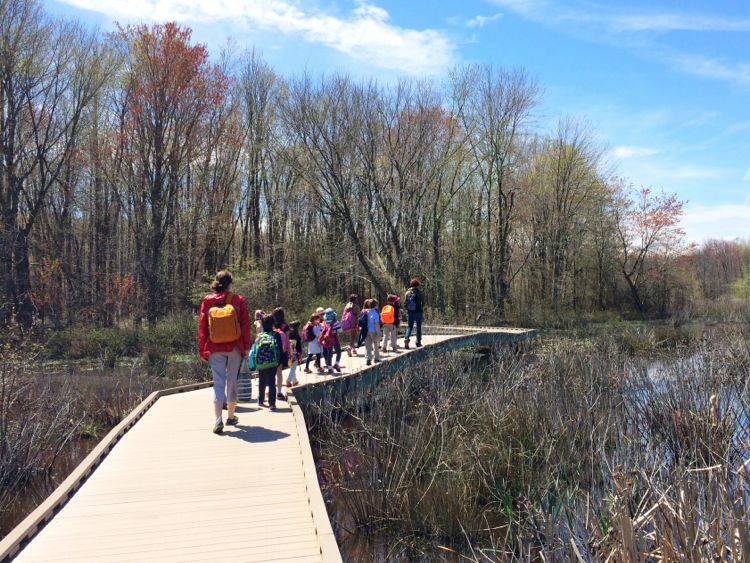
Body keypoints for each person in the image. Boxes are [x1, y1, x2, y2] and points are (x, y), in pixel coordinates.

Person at [198, 270, 250, 434]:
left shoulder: (207, 301)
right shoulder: (237, 299)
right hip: (234, 346)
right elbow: (245, 325)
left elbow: (202, 328)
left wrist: (203, 350)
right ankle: (231, 416)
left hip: (214, 347)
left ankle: (218, 419)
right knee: (231, 380)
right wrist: (246, 347)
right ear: (230, 283)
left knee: (218, 382)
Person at [255, 314, 283, 410]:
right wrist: (279, 361)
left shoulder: (260, 336)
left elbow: (254, 350)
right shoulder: (276, 334)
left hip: (261, 362)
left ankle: (261, 400)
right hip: (273, 362)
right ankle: (272, 404)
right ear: (272, 323)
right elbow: (280, 349)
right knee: (272, 381)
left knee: (262, 381)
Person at [272, 307, 290, 402]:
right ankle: (278, 392)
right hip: (281, 351)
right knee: (279, 372)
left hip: (272, 351)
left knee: (271, 372)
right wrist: (288, 352)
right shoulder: (285, 326)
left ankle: (271, 390)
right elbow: (287, 339)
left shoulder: (271, 325)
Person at [403, 278, 424, 349]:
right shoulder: (420, 292)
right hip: (418, 311)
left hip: (410, 312)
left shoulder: (407, 292)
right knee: (418, 327)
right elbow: (423, 303)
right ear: (417, 285)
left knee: (410, 326)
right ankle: (418, 342)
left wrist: (408, 309)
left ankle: (406, 338)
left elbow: (405, 303)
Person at [322, 307, 342, 373]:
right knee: (338, 351)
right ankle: (336, 364)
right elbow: (340, 330)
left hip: (327, 339)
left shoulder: (324, 323)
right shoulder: (335, 322)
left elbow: (322, 331)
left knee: (329, 353)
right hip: (335, 338)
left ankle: (330, 368)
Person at [286, 320, 302, 389]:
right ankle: (288, 381)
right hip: (294, 355)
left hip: (288, 354)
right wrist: (300, 357)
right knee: (293, 368)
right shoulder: (297, 336)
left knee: (293, 368)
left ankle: (295, 381)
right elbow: (299, 348)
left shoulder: (288, 334)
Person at [365, 299, 381, 366]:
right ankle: (376, 358)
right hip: (373, 331)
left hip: (366, 331)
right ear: (375, 305)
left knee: (368, 345)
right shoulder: (375, 313)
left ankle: (368, 359)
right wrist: (379, 332)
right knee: (375, 345)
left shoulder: (366, 312)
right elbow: (376, 324)